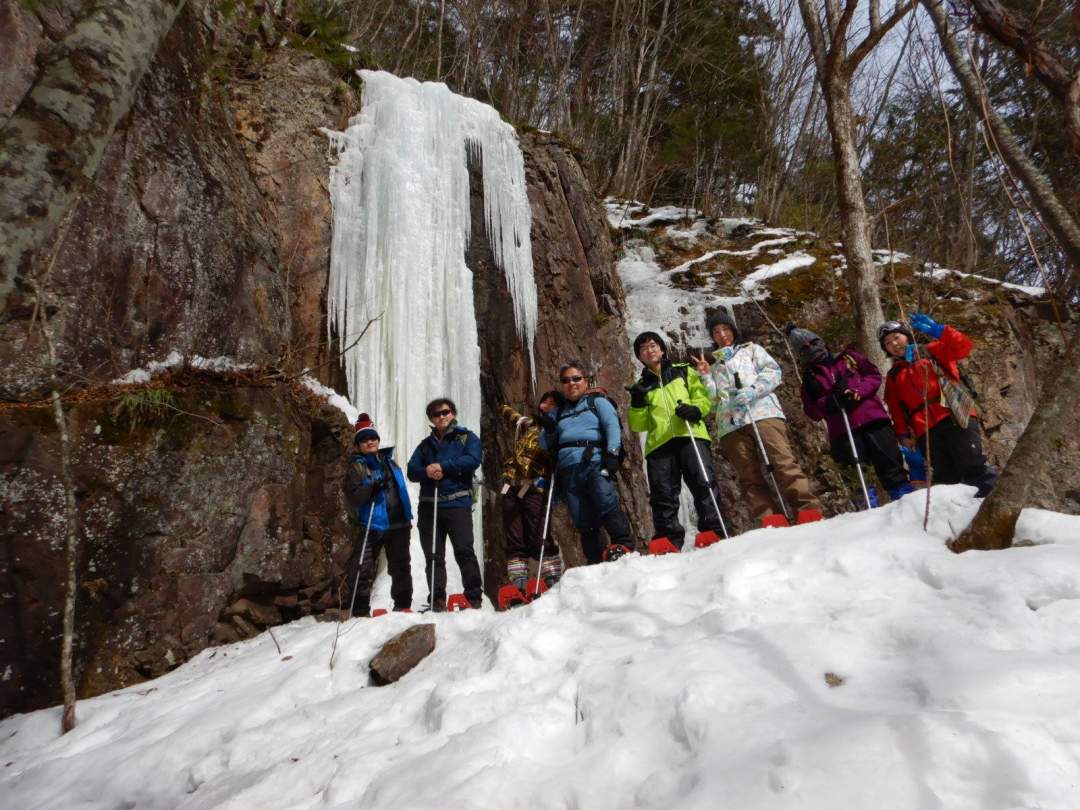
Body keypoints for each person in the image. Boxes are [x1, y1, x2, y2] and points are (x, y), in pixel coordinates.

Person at [695, 311, 822, 523]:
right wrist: (706, 377)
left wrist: (754, 389)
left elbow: (773, 372)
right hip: (731, 424)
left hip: (763, 414)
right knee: (748, 476)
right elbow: (713, 401)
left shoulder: (752, 350)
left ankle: (807, 509)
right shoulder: (714, 366)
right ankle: (768, 518)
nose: (722, 334)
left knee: (783, 462)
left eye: (725, 329)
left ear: (733, 330)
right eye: (716, 332)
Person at [786, 326, 913, 504]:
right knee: (858, 476)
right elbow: (811, 410)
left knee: (891, 465)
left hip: (872, 418)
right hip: (843, 430)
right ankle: (868, 510)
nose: (811, 349)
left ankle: (906, 501)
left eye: (813, 343)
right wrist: (830, 401)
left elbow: (873, 375)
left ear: (821, 341)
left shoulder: (848, 357)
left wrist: (857, 391)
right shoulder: (809, 378)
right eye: (804, 348)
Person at [879, 314, 997, 497]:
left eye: (896, 337)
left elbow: (963, 347)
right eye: (888, 343)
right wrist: (902, 434)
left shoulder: (932, 350)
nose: (894, 344)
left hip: (954, 413)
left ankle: (991, 503)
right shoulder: (894, 376)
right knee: (944, 475)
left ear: (906, 335)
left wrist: (939, 330)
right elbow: (895, 408)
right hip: (924, 429)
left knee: (972, 463)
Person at [627, 331, 726, 548]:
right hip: (660, 443)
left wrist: (695, 409)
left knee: (703, 482)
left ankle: (714, 531)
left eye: (653, 345)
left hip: (690, 434)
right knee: (663, 494)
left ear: (662, 349)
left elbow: (703, 398)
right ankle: (668, 539)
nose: (649, 350)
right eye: (643, 348)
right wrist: (637, 402)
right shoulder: (641, 386)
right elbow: (638, 424)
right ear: (639, 356)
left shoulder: (684, 372)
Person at [539, 361, 634, 563]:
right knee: (581, 514)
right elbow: (544, 445)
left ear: (585, 381)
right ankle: (594, 557)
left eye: (576, 378)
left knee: (605, 500)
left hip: (594, 460)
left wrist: (612, 453)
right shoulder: (558, 413)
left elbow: (612, 426)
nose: (571, 383)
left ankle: (623, 543)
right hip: (568, 468)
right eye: (565, 380)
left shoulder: (597, 402)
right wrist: (548, 429)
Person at [407, 398, 484, 610]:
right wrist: (427, 471)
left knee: (464, 550)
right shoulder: (425, 445)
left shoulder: (466, 438)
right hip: (429, 507)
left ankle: (474, 597)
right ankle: (437, 599)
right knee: (433, 555)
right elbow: (411, 470)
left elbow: (473, 459)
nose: (441, 416)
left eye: (445, 412)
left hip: (457, 503)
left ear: (453, 413)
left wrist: (444, 466)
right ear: (431, 419)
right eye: (436, 414)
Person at [342, 414, 413, 616]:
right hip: (372, 523)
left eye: (373, 437)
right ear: (358, 445)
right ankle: (360, 609)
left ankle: (403, 604)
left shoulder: (390, 463)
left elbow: (401, 490)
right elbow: (354, 497)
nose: (370, 441)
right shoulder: (356, 467)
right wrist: (372, 486)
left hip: (399, 524)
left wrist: (407, 517)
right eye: (364, 439)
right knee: (361, 567)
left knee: (400, 567)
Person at [500, 393, 563, 593]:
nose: (545, 406)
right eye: (543, 402)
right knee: (514, 535)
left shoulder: (558, 429)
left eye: (551, 404)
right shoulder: (528, 425)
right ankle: (518, 580)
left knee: (539, 532)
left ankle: (551, 575)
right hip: (512, 485)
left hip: (536, 486)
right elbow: (513, 417)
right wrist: (503, 407)